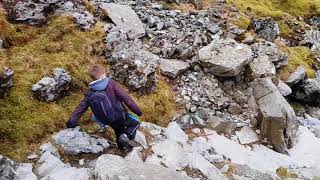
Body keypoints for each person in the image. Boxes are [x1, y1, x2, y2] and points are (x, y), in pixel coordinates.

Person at [66, 64, 142, 150]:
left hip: (106, 120)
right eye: (105, 74)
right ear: (103, 75)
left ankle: (122, 148)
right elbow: (127, 99)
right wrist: (138, 112)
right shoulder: (111, 83)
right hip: (120, 115)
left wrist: (71, 122)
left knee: (118, 130)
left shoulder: (90, 92)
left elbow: (80, 108)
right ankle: (126, 135)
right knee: (135, 123)